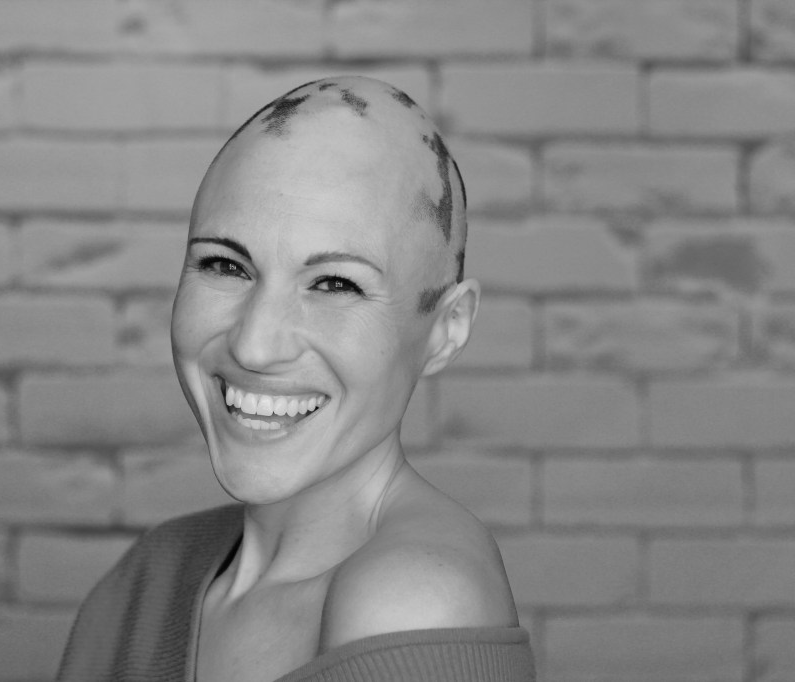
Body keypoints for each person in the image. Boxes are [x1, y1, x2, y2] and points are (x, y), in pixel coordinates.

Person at [57, 75, 535, 682]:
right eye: (225, 265)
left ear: (447, 328)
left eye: (335, 284)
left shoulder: (416, 600)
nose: (255, 345)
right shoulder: (145, 582)